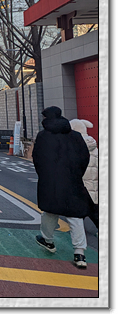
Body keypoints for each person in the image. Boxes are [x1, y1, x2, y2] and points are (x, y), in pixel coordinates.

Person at [32, 106, 91, 269]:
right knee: (75, 216)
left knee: (50, 212)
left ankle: (47, 240)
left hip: (50, 181)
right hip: (72, 179)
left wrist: (45, 176)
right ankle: (80, 253)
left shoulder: (43, 136)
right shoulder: (76, 136)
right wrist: (76, 174)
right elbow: (85, 157)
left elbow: (37, 158)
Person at [70, 119, 98, 230]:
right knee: (94, 210)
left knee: (77, 213)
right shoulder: (94, 146)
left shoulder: (74, 146)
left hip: (79, 183)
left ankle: (78, 234)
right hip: (93, 184)